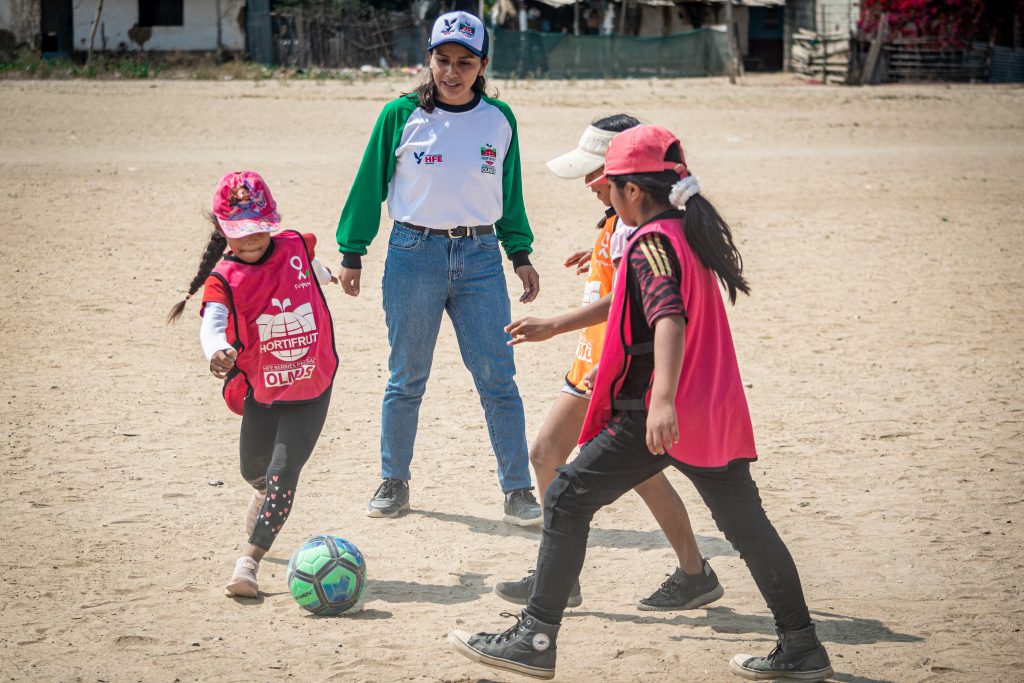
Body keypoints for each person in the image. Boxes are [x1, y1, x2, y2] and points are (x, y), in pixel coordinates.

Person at [449, 126, 833, 681]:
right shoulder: (681, 231)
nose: (608, 195)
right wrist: (558, 324)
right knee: (749, 529)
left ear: (633, 190)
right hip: (711, 412)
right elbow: (630, 295)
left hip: (655, 412)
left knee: (566, 497)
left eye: (613, 186)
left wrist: (661, 403)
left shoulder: (650, 241)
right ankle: (802, 645)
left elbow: (668, 316)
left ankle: (534, 638)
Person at [492, 115, 724, 612]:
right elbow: (621, 279)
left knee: (570, 458)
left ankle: (566, 579)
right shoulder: (619, 219)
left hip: (608, 364)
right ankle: (687, 573)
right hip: (595, 359)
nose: (586, 184)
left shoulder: (637, 223)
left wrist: (554, 323)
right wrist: (597, 252)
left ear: (622, 178)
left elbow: (635, 301)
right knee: (573, 458)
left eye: (593, 176)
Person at [334, 11, 543, 526]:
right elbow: (369, 183)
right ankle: (393, 479)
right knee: (407, 376)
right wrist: (352, 250)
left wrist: (520, 253)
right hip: (413, 254)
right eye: (443, 60)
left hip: (480, 259)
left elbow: (508, 191)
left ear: (482, 65)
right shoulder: (399, 115)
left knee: (498, 377)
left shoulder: (500, 118)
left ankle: (518, 490)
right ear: (428, 60)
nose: (452, 72)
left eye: (464, 63)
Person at [168, 170, 339, 598]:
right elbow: (213, 325)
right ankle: (265, 498)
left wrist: (329, 274)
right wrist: (217, 352)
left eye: (258, 231)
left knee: (283, 474)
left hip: (311, 384)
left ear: (271, 223)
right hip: (262, 389)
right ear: (222, 231)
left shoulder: (294, 246)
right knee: (254, 471)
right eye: (240, 233)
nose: (250, 241)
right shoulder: (223, 278)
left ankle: (248, 564)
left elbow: (307, 268)